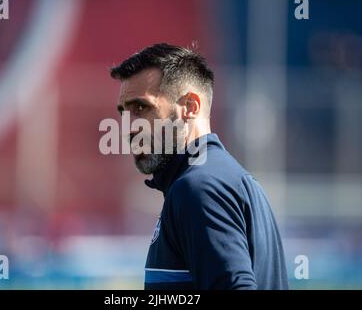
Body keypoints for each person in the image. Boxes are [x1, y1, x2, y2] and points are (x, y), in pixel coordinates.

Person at [110, 43, 288, 289]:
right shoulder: (220, 178)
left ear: (190, 108)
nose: (128, 127)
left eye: (141, 108)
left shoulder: (199, 187)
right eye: (124, 113)